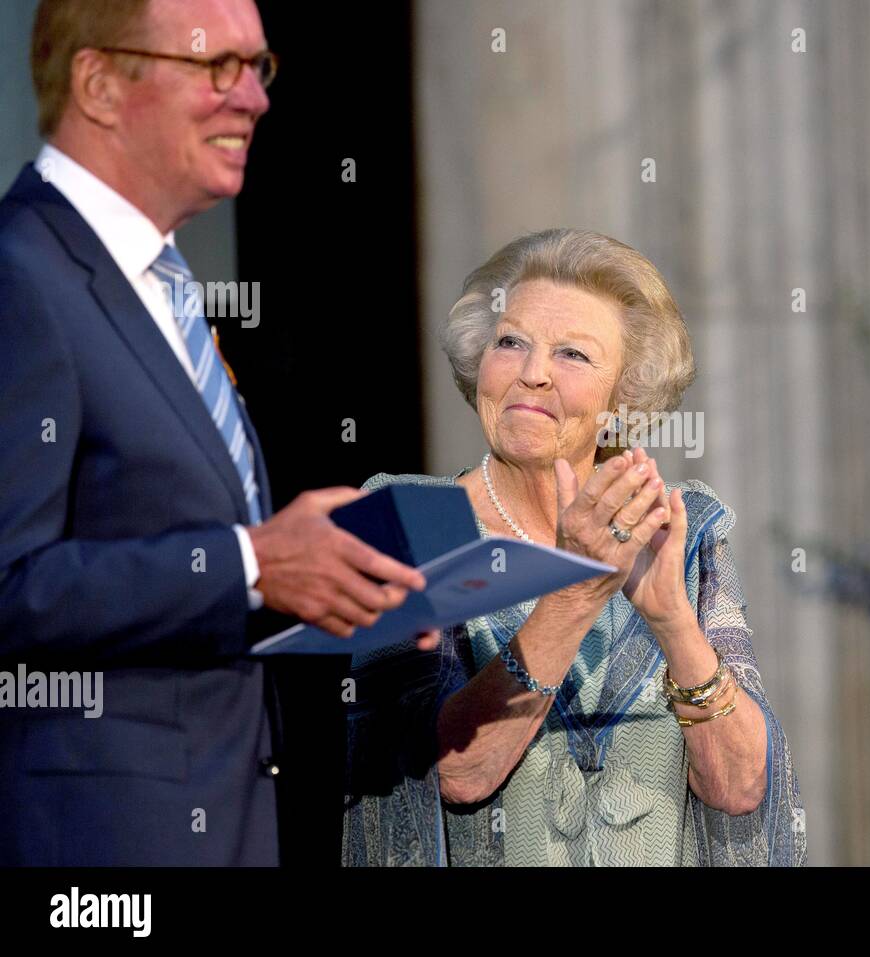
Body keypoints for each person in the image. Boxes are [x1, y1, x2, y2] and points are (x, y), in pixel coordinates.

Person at [0, 0, 425, 865]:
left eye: (258, 67)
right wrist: (255, 562)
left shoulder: (159, 279)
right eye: (215, 67)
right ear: (100, 83)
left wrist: (335, 582)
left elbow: (174, 572)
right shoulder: (21, 277)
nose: (256, 100)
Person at [343, 228, 805, 866]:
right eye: (511, 343)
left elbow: (739, 787)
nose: (532, 374)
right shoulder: (408, 521)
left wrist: (673, 621)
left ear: (623, 399)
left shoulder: (682, 529)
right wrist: (573, 594)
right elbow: (448, 770)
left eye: (572, 355)